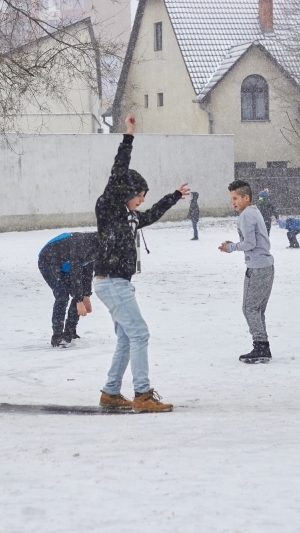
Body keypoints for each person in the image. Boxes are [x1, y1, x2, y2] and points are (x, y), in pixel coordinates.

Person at [94, 113, 189, 412]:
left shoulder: (131, 217)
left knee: (126, 337)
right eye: (140, 196)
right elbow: (119, 170)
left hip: (117, 283)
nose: (142, 201)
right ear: (127, 192)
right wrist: (129, 136)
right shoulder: (109, 207)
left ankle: (110, 393)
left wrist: (173, 196)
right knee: (139, 333)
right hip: (111, 281)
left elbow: (152, 215)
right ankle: (142, 395)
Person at [218, 180, 274, 364]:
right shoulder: (254, 212)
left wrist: (231, 247)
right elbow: (252, 240)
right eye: (231, 198)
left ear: (246, 197)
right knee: (257, 310)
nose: (233, 202)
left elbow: (250, 243)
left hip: (257, 268)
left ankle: (260, 346)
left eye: (235, 198)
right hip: (266, 265)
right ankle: (262, 346)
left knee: (249, 308)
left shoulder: (246, 215)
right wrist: (233, 244)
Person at [38, 232, 97, 347]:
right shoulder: (82, 246)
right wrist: (79, 300)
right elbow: (76, 273)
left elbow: (87, 272)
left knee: (78, 294)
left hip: (66, 264)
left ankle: (69, 332)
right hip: (48, 262)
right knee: (62, 295)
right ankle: (57, 335)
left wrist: (86, 295)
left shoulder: (95, 249)